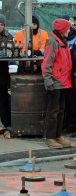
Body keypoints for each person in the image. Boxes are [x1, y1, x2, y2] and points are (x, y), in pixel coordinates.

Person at [41, 18, 74, 148]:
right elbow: (46, 64)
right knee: (53, 112)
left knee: (61, 111)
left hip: (63, 82)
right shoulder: (52, 42)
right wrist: (48, 81)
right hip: (55, 83)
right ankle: (50, 137)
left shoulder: (62, 42)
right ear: (62, 30)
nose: (69, 31)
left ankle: (58, 135)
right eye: (68, 28)